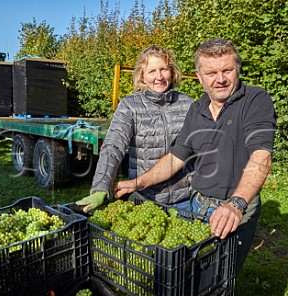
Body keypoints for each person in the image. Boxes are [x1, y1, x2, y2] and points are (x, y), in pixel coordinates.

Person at [114, 37, 277, 274]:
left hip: (233, 212)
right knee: (187, 277)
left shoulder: (255, 100)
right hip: (195, 205)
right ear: (199, 77)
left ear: (237, 70)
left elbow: (261, 155)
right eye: (211, 73)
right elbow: (176, 158)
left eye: (227, 70)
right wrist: (137, 182)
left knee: (217, 280)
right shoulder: (197, 108)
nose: (220, 79)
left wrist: (237, 203)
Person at [76, 45, 194, 213]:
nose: (159, 77)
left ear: (172, 72)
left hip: (185, 199)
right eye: (152, 71)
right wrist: (101, 187)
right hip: (146, 200)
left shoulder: (187, 104)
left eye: (164, 69)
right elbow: (113, 147)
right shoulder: (129, 106)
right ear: (142, 76)